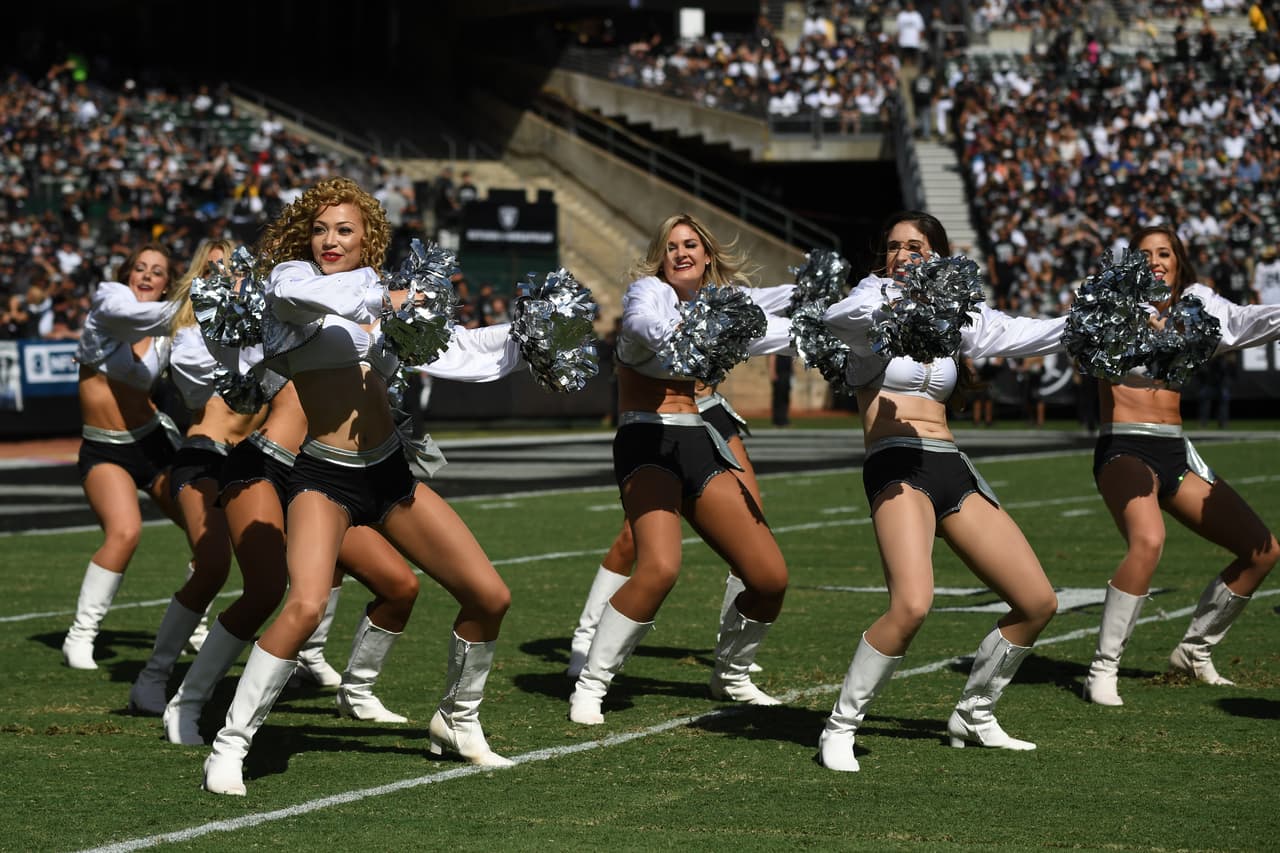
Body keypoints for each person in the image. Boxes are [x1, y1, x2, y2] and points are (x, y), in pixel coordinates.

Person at [202, 177, 518, 795]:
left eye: (344, 230)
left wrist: (524, 334)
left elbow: (454, 348)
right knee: (304, 605)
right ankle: (230, 745)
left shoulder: (381, 295)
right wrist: (387, 295)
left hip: (390, 475)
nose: (330, 239)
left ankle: (457, 720)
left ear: (368, 237)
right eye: (320, 229)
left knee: (490, 596)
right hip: (324, 479)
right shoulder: (294, 285)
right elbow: (318, 294)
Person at [817, 210, 1066, 772]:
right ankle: (840, 727)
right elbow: (839, 318)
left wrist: (1083, 325)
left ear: (937, 256)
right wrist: (897, 302)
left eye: (916, 247)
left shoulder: (955, 314)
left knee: (1037, 602)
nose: (903, 254)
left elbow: (1017, 333)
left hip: (951, 464)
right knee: (911, 604)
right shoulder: (871, 300)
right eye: (894, 246)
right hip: (896, 463)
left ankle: (975, 712)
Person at [567, 212, 794, 726]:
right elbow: (643, 324)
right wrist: (688, 329)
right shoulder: (648, 293)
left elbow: (765, 318)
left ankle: (731, 672)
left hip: (697, 440)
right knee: (659, 566)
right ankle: (592, 681)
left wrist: (830, 323)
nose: (681, 253)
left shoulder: (717, 304)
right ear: (661, 257)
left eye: (691, 245)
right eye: (671, 247)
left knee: (769, 577)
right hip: (647, 441)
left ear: (707, 255)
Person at [1082, 224, 1280, 707]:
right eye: (1146, 253)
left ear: (1178, 262)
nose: (1156, 261)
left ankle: (1194, 650)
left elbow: (1245, 321)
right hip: (1124, 446)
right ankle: (1103, 668)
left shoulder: (1197, 306)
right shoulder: (1110, 304)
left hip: (1175, 450)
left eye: (1165, 253)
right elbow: (1086, 351)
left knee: (1262, 551)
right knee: (1148, 540)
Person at [128, 239, 259, 713]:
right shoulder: (185, 329)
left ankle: (311, 658)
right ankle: (153, 676)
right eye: (211, 269)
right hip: (204, 455)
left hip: (257, 460)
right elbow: (189, 378)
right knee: (213, 564)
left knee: (288, 570)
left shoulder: (265, 318)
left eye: (231, 268)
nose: (222, 276)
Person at [565, 384, 767, 680]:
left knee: (749, 530)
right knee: (632, 538)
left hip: (709, 409)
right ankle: (585, 638)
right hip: (663, 420)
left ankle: (731, 657)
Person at [62, 242, 187, 670]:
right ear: (127, 274)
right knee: (125, 531)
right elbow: (139, 316)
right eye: (140, 267)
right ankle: (81, 635)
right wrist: (196, 304)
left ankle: (195, 625)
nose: (147, 275)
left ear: (167, 283)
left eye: (158, 271)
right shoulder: (110, 302)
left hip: (153, 443)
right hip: (106, 448)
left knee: (206, 531)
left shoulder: (168, 333)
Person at [768, 353, 793, 427]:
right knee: (778, 399)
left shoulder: (787, 351)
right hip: (779, 376)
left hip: (787, 375)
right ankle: (778, 420)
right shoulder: (777, 350)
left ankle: (784, 419)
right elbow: (772, 359)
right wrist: (773, 373)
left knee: (785, 398)